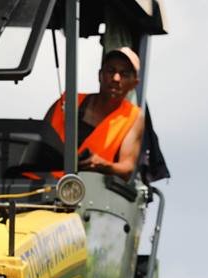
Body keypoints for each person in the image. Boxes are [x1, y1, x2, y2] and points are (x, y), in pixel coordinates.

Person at [46, 46, 145, 180]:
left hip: (90, 190)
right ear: (100, 75)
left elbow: (127, 167)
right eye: (111, 71)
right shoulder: (68, 100)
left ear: (134, 84)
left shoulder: (134, 116)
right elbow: (37, 142)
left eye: (124, 74)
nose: (116, 78)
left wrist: (103, 165)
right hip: (42, 182)